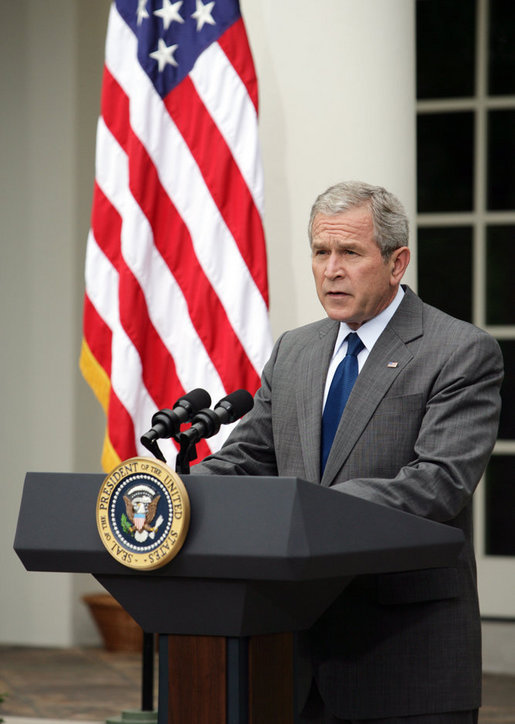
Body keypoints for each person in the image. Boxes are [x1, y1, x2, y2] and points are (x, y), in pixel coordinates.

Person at [195, 181, 504, 723]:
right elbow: (247, 458)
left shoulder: (459, 350)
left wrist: (309, 513)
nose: (331, 269)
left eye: (350, 253)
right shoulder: (296, 349)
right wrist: (176, 495)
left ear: (396, 262)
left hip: (405, 657)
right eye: (321, 252)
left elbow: (438, 482)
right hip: (290, 653)